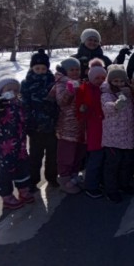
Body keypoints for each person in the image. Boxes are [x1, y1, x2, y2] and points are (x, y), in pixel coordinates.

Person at [101, 65, 134, 203]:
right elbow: (106, 107)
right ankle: (111, 190)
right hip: (113, 138)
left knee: (126, 163)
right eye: (116, 81)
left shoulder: (130, 94)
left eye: (122, 81)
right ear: (110, 82)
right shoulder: (106, 94)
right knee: (113, 165)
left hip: (128, 136)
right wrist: (115, 105)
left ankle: (123, 184)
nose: (119, 84)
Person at [0, 75, 35, 209]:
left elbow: (25, 119)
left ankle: (24, 191)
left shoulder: (19, 104)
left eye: (16, 90)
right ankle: (7, 196)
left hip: (20, 146)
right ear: (1, 91)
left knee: (22, 168)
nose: (13, 93)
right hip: (5, 148)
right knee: (5, 172)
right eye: (8, 89)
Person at [20, 49, 59, 192]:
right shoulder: (26, 83)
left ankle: (52, 177)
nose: (41, 71)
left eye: (43, 68)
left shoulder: (53, 81)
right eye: (37, 68)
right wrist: (29, 121)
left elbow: (58, 101)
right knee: (35, 156)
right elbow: (24, 103)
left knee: (52, 155)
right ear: (32, 68)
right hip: (35, 127)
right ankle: (33, 180)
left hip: (52, 126)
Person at [53, 57, 86, 194]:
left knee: (77, 153)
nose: (75, 72)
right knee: (66, 154)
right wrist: (70, 89)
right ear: (65, 71)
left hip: (79, 125)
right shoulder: (61, 83)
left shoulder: (80, 81)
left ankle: (73, 177)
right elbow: (61, 101)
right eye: (71, 70)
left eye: (77, 69)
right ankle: (64, 180)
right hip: (67, 126)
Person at [76, 59, 107, 199]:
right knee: (95, 158)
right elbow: (80, 107)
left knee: (103, 157)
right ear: (90, 77)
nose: (100, 80)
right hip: (93, 128)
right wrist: (83, 109)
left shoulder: (106, 88)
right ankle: (91, 185)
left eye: (102, 78)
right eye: (97, 78)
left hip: (105, 127)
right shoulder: (85, 88)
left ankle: (99, 181)